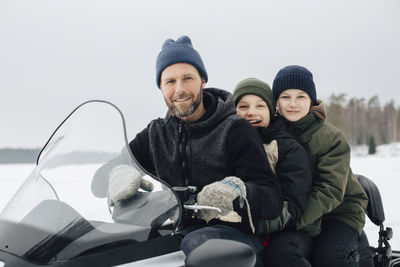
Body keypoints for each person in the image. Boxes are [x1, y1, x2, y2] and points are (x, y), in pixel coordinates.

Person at [106, 36, 283, 266]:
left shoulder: (234, 129)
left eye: (187, 78)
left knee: (197, 244)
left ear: (202, 80)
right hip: (179, 234)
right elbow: (99, 181)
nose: (179, 89)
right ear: (160, 87)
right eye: (170, 81)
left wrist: (237, 192)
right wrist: (117, 175)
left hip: (237, 244)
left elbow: (272, 199)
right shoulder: (156, 134)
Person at [266, 65, 368, 267]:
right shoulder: (271, 132)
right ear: (276, 101)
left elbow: (329, 190)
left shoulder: (331, 137)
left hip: (338, 212)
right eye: (285, 97)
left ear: (312, 100)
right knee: (278, 253)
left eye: (301, 97)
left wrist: (289, 220)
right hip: (296, 211)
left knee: (329, 258)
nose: (292, 104)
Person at [233, 78, 314, 266]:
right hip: (240, 227)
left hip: (285, 227)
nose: (251, 112)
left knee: (281, 255)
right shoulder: (227, 143)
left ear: (271, 111)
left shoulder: (287, 147)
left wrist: (250, 223)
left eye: (260, 106)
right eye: (243, 107)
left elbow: (294, 205)